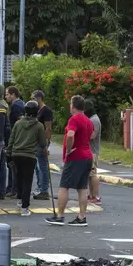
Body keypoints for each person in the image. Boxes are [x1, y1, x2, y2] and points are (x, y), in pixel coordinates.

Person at [45, 95, 93, 227]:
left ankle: (60, 216)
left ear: (73, 106)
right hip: (87, 155)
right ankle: (82, 216)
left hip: (75, 156)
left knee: (64, 186)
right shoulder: (88, 121)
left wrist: (68, 150)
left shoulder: (74, 119)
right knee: (82, 187)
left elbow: (71, 134)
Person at [7, 101, 46, 216]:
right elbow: (42, 142)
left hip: (16, 154)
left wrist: (9, 152)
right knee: (27, 181)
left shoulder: (18, 123)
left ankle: (19, 200)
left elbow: (11, 138)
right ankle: (25, 207)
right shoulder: (39, 126)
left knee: (18, 178)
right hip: (29, 155)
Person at [5, 86, 25, 197]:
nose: (6, 96)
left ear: (13, 95)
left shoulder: (16, 106)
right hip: (19, 139)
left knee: (12, 165)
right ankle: (13, 187)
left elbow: (21, 121)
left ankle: (14, 188)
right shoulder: (22, 103)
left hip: (15, 139)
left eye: (7, 94)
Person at [32, 90, 53, 200]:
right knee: (37, 166)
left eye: (33, 98)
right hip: (35, 141)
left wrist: (45, 143)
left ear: (39, 98)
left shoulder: (46, 111)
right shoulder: (37, 110)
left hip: (42, 141)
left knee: (42, 166)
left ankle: (44, 190)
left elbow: (48, 128)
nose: (32, 100)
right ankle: (40, 187)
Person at [84, 100, 102, 205]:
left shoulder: (94, 120)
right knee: (89, 175)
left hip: (92, 151)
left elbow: (92, 136)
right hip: (88, 151)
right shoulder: (91, 119)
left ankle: (95, 196)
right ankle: (91, 195)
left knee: (93, 174)